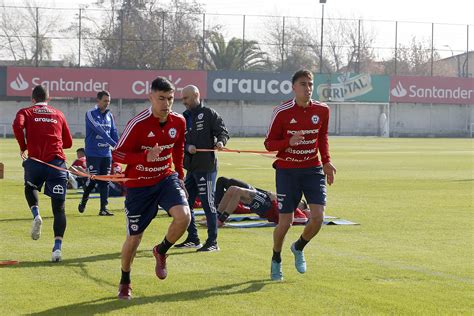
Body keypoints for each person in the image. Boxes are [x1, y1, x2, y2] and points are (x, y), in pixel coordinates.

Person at [112, 76, 191, 300]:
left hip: (165, 178)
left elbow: (178, 148)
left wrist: (181, 176)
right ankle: (125, 280)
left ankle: (161, 250)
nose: (166, 104)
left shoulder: (179, 121)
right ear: (150, 97)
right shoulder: (137, 124)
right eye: (161, 98)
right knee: (134, 238)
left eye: (170, 99)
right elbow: (117, 154)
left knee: (184, 217)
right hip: (139, 186)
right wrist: (144, 156)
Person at [264, 69, 337, 281]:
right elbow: (269, 144)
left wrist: (327, 161)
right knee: (285, 223)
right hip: (287, 171)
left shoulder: (322, 110)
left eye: (311, 84)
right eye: (303, 84)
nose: (308, 89)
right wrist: (288, 142)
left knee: (318, 218)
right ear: (293, 87)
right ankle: (276, 258)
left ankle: (298, 247)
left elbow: (322, 136)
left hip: (312, 170)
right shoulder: (282, 112)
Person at [12, 85, 73, 262]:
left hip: (36, 162)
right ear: (48, 99)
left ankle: (36, 214)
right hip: (56, 164)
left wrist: (24, 145)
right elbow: (68, 142)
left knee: (29, 187)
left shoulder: (26, 111)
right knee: (59, 209)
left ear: (33, 99)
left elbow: (17, 125)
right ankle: (57, 249)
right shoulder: (58, 113)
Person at [174, 85, 229, 252]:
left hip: (206, 167)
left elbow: (223, 132)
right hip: (191, 168)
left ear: (196, 95)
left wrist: (220, 142)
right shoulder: (183, 117)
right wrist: (188, 146)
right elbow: (180, 142)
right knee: (184, 202)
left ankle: (212, 242)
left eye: (186, 98)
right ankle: (193, 238)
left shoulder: (208, 114)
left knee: (208, 203)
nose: (183, 102)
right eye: (182, 98)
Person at [78, 90, 119, 216]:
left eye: (109, 101)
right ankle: (84, 200)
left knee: (105, 181)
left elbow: (113, 131)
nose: (107, 103)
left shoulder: (109, 115)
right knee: (94, 180)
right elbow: (100, 131)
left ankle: (103, 209)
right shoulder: (90, 114)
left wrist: (119, 145)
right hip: (93, 153)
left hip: (106, 154)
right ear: (98, 100)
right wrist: (114, 144)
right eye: (105, 101)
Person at [215, 177, 309, 226]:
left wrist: (274, 201)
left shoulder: (301, 216)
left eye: (301, 203)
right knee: (232, 189)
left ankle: (220, 220)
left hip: (267, 206)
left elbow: (283, 220)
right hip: (267, 202)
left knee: (239, 192)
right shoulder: (293, 207)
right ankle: (216, 216)